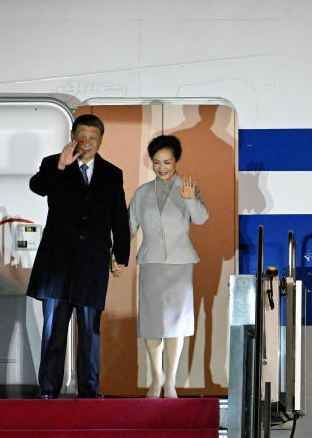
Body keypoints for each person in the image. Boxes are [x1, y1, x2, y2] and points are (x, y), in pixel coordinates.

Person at [27, 114, 130, 398]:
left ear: (100, 140)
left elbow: (119, 216)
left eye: (92, 138)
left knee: (90, 331)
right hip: (57, 264)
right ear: (73, 136)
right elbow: (37, 187)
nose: (86, 143)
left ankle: (89, 390)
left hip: (92, 264)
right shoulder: (54, 163)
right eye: (81, 137)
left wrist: (120, 255)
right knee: (54, 331)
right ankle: (48, 390)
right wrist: (61, 166)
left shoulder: (112, 173)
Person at [128, 134, 209, 398]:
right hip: (151, 262)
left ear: (177, 161)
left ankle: (171, 380)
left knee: (177, 323)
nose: (162, 168)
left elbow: (201, 219)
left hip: (180, 264)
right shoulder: (141, 193)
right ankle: (156, 376)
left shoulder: (188, 188)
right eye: (157, 162)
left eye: (168, 162)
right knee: (152, 323)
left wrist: (188, 198)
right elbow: (128, 228)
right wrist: (112, 255)